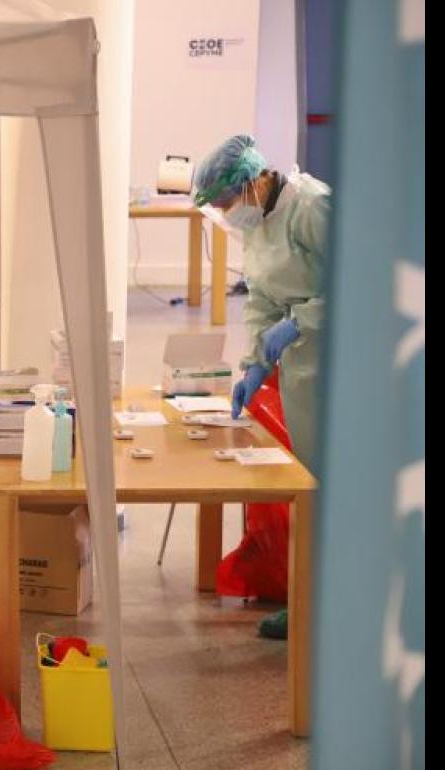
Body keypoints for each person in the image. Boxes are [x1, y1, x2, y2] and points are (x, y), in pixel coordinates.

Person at [194, 134, 330, 640]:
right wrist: (253, 362)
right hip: (302, 373)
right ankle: (309, 603)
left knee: (340, 493)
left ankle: (336, 611)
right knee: (311, 488)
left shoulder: (311, 208)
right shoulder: (260, 225)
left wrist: (304, 320)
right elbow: (261, 300)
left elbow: (361, 279)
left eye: (229, 203)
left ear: (253, 182)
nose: (229, 214)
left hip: (340, 364)